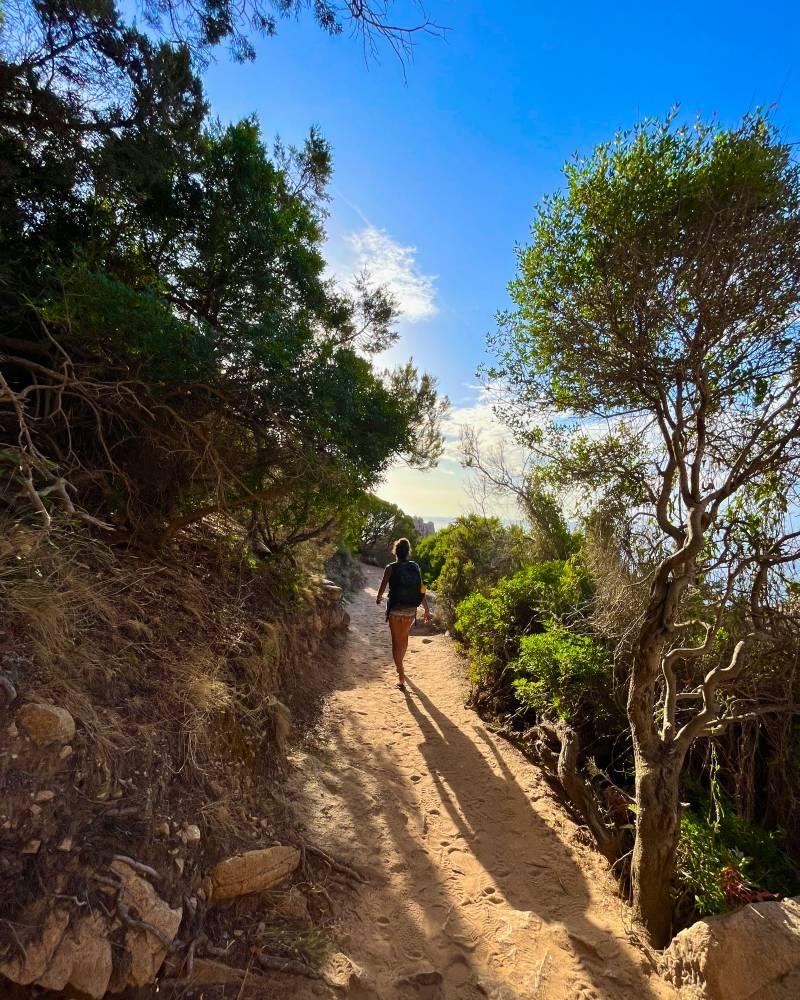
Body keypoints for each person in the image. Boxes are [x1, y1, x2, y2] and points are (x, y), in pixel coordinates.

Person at [376, 537, 431, 691]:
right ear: (408, 552)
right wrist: (426, 609)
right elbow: (421, 589)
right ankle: (401, 666)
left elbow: (382, 588)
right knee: (404, 639)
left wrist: (379, 598)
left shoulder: (390, 568)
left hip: (395, 610)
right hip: (410, 611)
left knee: (396, 642)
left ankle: (401, 674)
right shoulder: (415, 566)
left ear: (395, 551)